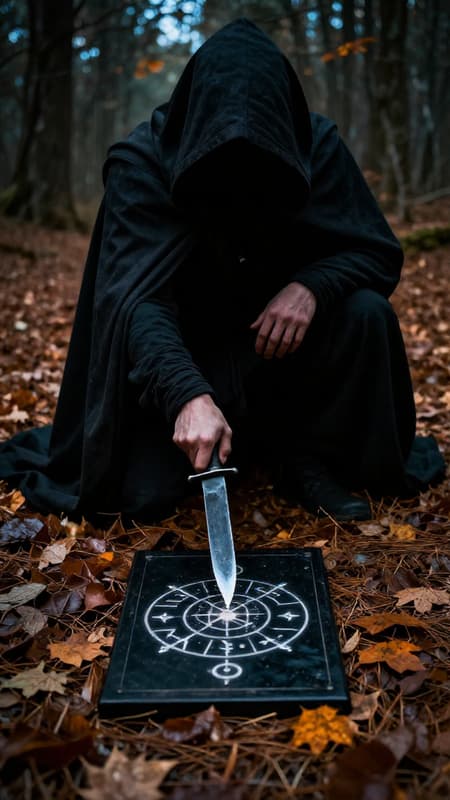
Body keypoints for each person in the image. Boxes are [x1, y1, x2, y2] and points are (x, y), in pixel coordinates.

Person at [0, 18, 444, 523]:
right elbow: (135, 303)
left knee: (367, 311)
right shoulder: (143, 164)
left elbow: (377, 252)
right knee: (141, 498)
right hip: (185, 356)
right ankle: (209, 439)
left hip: (285, 361)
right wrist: (185, 392)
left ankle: (308, 458)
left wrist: (312, 287)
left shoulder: (315, 148)